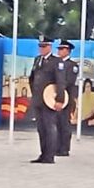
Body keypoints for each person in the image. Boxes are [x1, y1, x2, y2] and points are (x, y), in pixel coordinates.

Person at [29, 36, 65, 164]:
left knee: (50, 127)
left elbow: (60, 82)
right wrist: (34, 93)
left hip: (50, 99)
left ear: (50, 47)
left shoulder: (56, 61)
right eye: (40, 46)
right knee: (41, 128)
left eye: (44, 46)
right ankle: (43, 153)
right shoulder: (37, 60)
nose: (41, 49)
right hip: (38, 99)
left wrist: (60, 100)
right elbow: (32, 78)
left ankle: (50, 156)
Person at [55, 40, 79, 157]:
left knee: (64, 123)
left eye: (61, 49)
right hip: (55, 97)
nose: (59, 51)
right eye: (58, 49)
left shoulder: (72, 65)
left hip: (67, 97)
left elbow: (69, 81)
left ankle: (64, 148)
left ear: (67, 51)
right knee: (56, 122)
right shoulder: (55, 63)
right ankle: (56, 146)